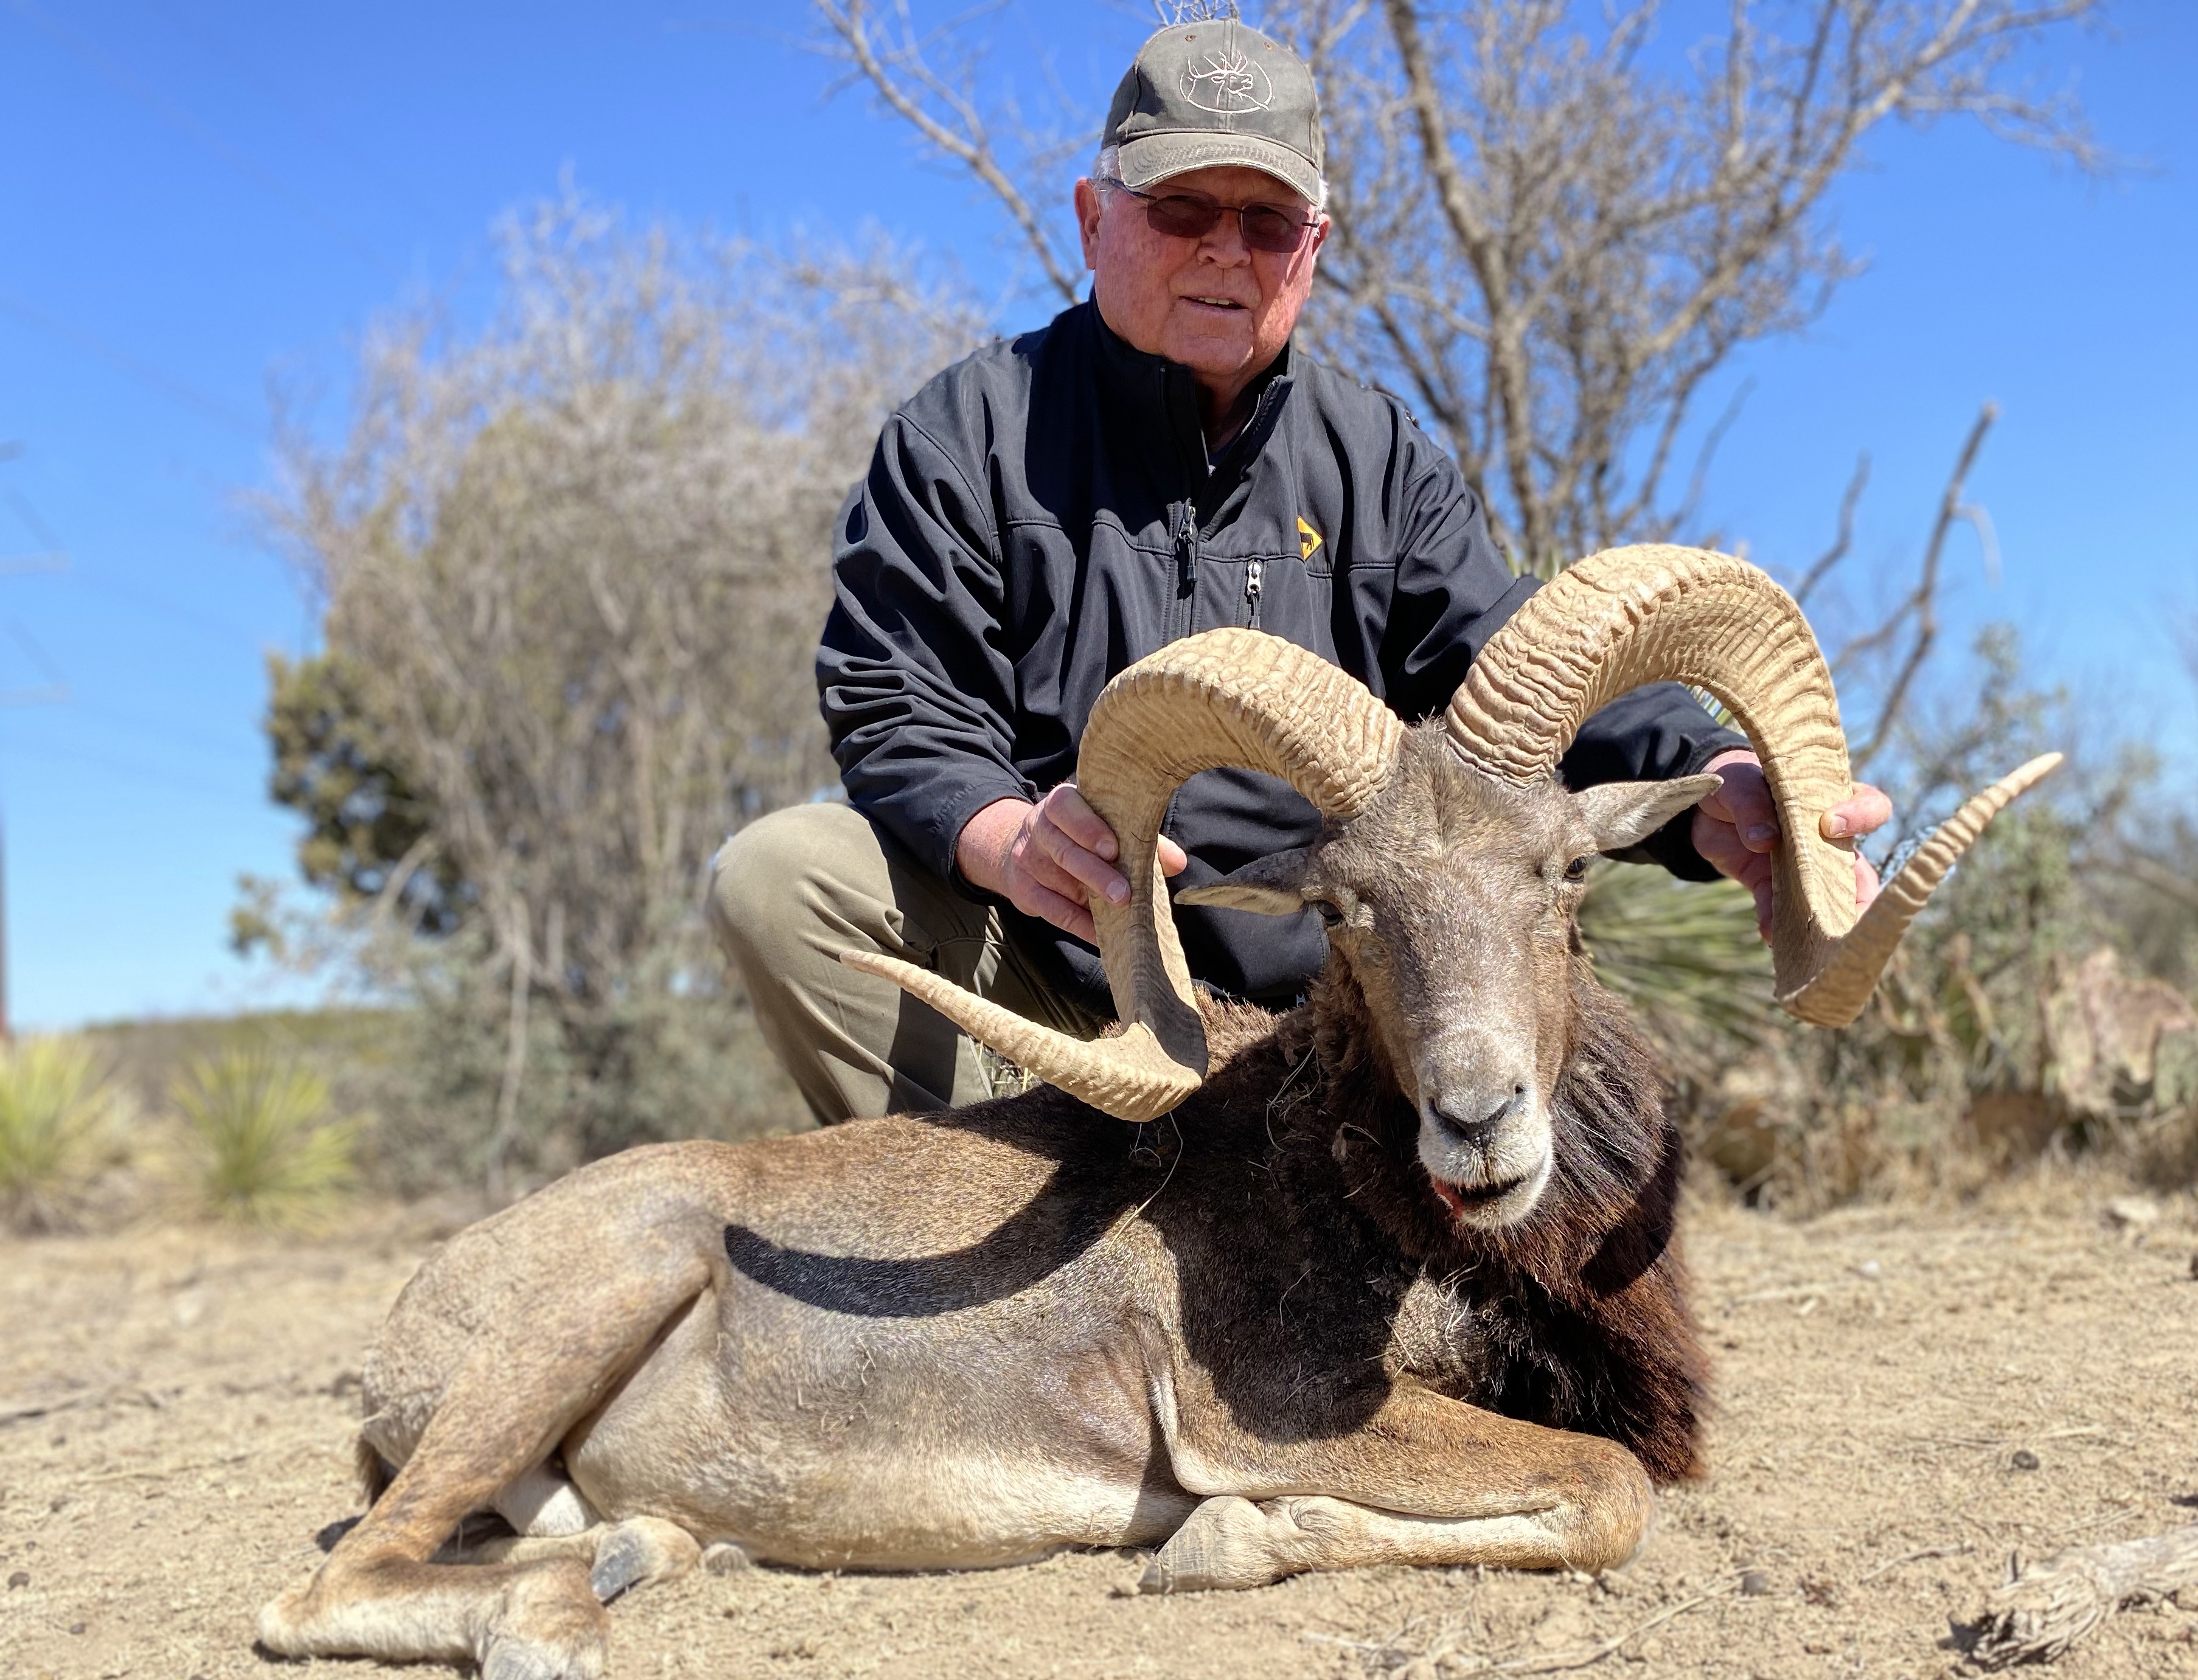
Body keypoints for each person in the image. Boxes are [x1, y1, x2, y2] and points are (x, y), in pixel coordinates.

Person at [711, 15, 1890, 1126]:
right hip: (1052, 983)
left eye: (1269, 221)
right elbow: (893, 695)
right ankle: (998, 1256)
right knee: (781, 880)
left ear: (1312, 250)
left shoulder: (1373, 459)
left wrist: (1714, 783)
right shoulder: (969, 433)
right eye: (1182, 207)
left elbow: (1523, 670)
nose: (1227, 248)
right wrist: (1007, 836)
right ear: (1092, 218)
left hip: (1316, 1027)